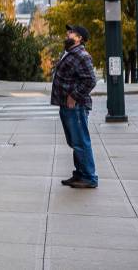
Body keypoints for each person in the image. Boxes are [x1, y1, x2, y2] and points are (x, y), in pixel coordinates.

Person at [52, 24, 98, 188]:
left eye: (71, 33)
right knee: (75, 142)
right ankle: (80, 173)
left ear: (79, 38)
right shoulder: (71, 53)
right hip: (67, 105)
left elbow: (91, 80)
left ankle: (89, 177)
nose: (67, 34)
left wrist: (73, 96)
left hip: (76, 106)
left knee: (81, 142)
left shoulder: (81, 55)